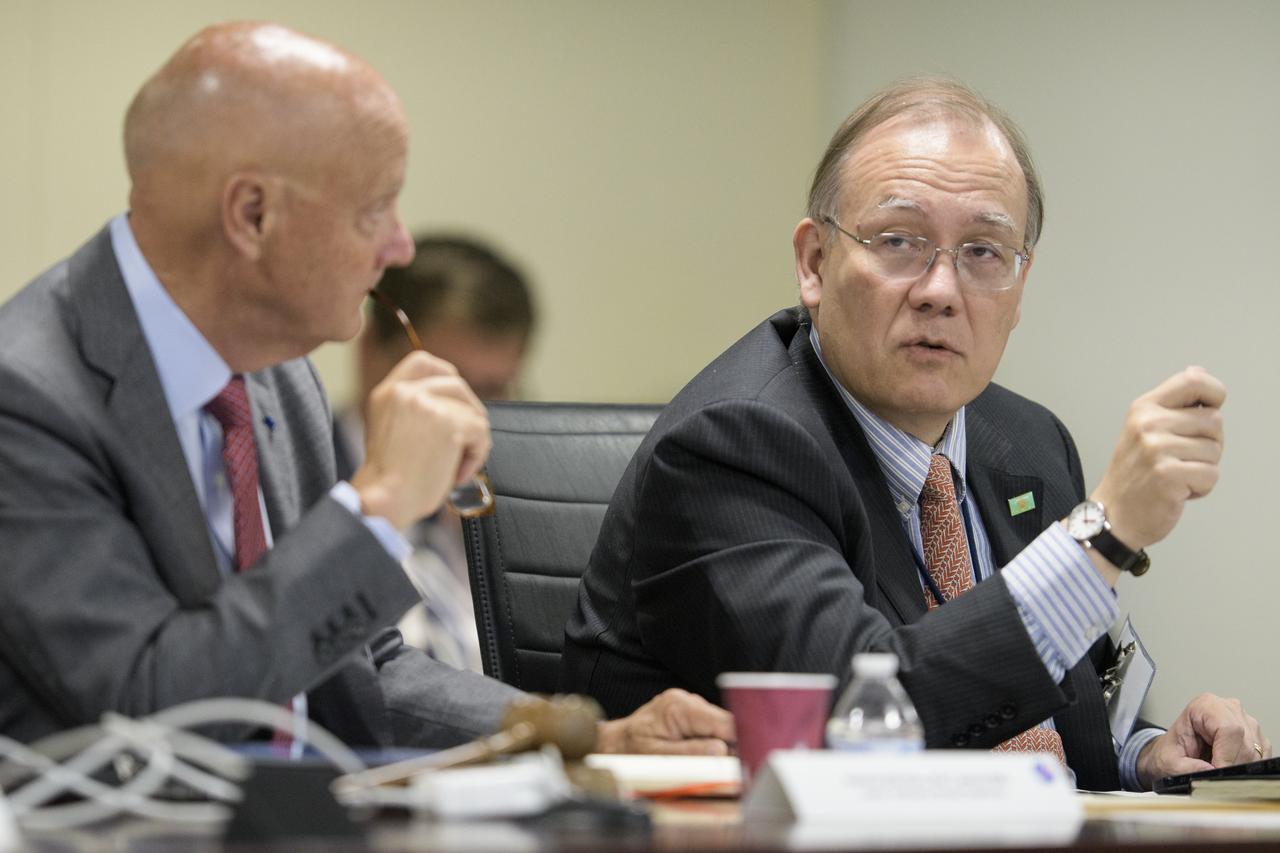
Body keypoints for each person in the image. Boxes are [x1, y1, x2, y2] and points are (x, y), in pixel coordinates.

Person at [0, 21, 732, 757]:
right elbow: (147, 712)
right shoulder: (26, 394)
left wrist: (588, 737)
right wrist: (378, 502)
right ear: (253, 215)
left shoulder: (275, 370)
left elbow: (356, 669)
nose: (399, 245)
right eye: (374, 209)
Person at [561, 78, 1267, 789]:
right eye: (898, 241)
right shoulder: (731, 445)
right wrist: (1101, 538)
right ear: (814, 263)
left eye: (984, 252)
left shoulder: (1027, 440)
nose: (939, 290)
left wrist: (1143, 752)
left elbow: (1043, 705)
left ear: (1021, 286)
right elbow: (867, 718)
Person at [334, 235, 537, 670]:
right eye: (447, 382)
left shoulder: (518, 512)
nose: (467, 412)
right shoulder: (299, 481)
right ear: (370, 353)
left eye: (494, 390)